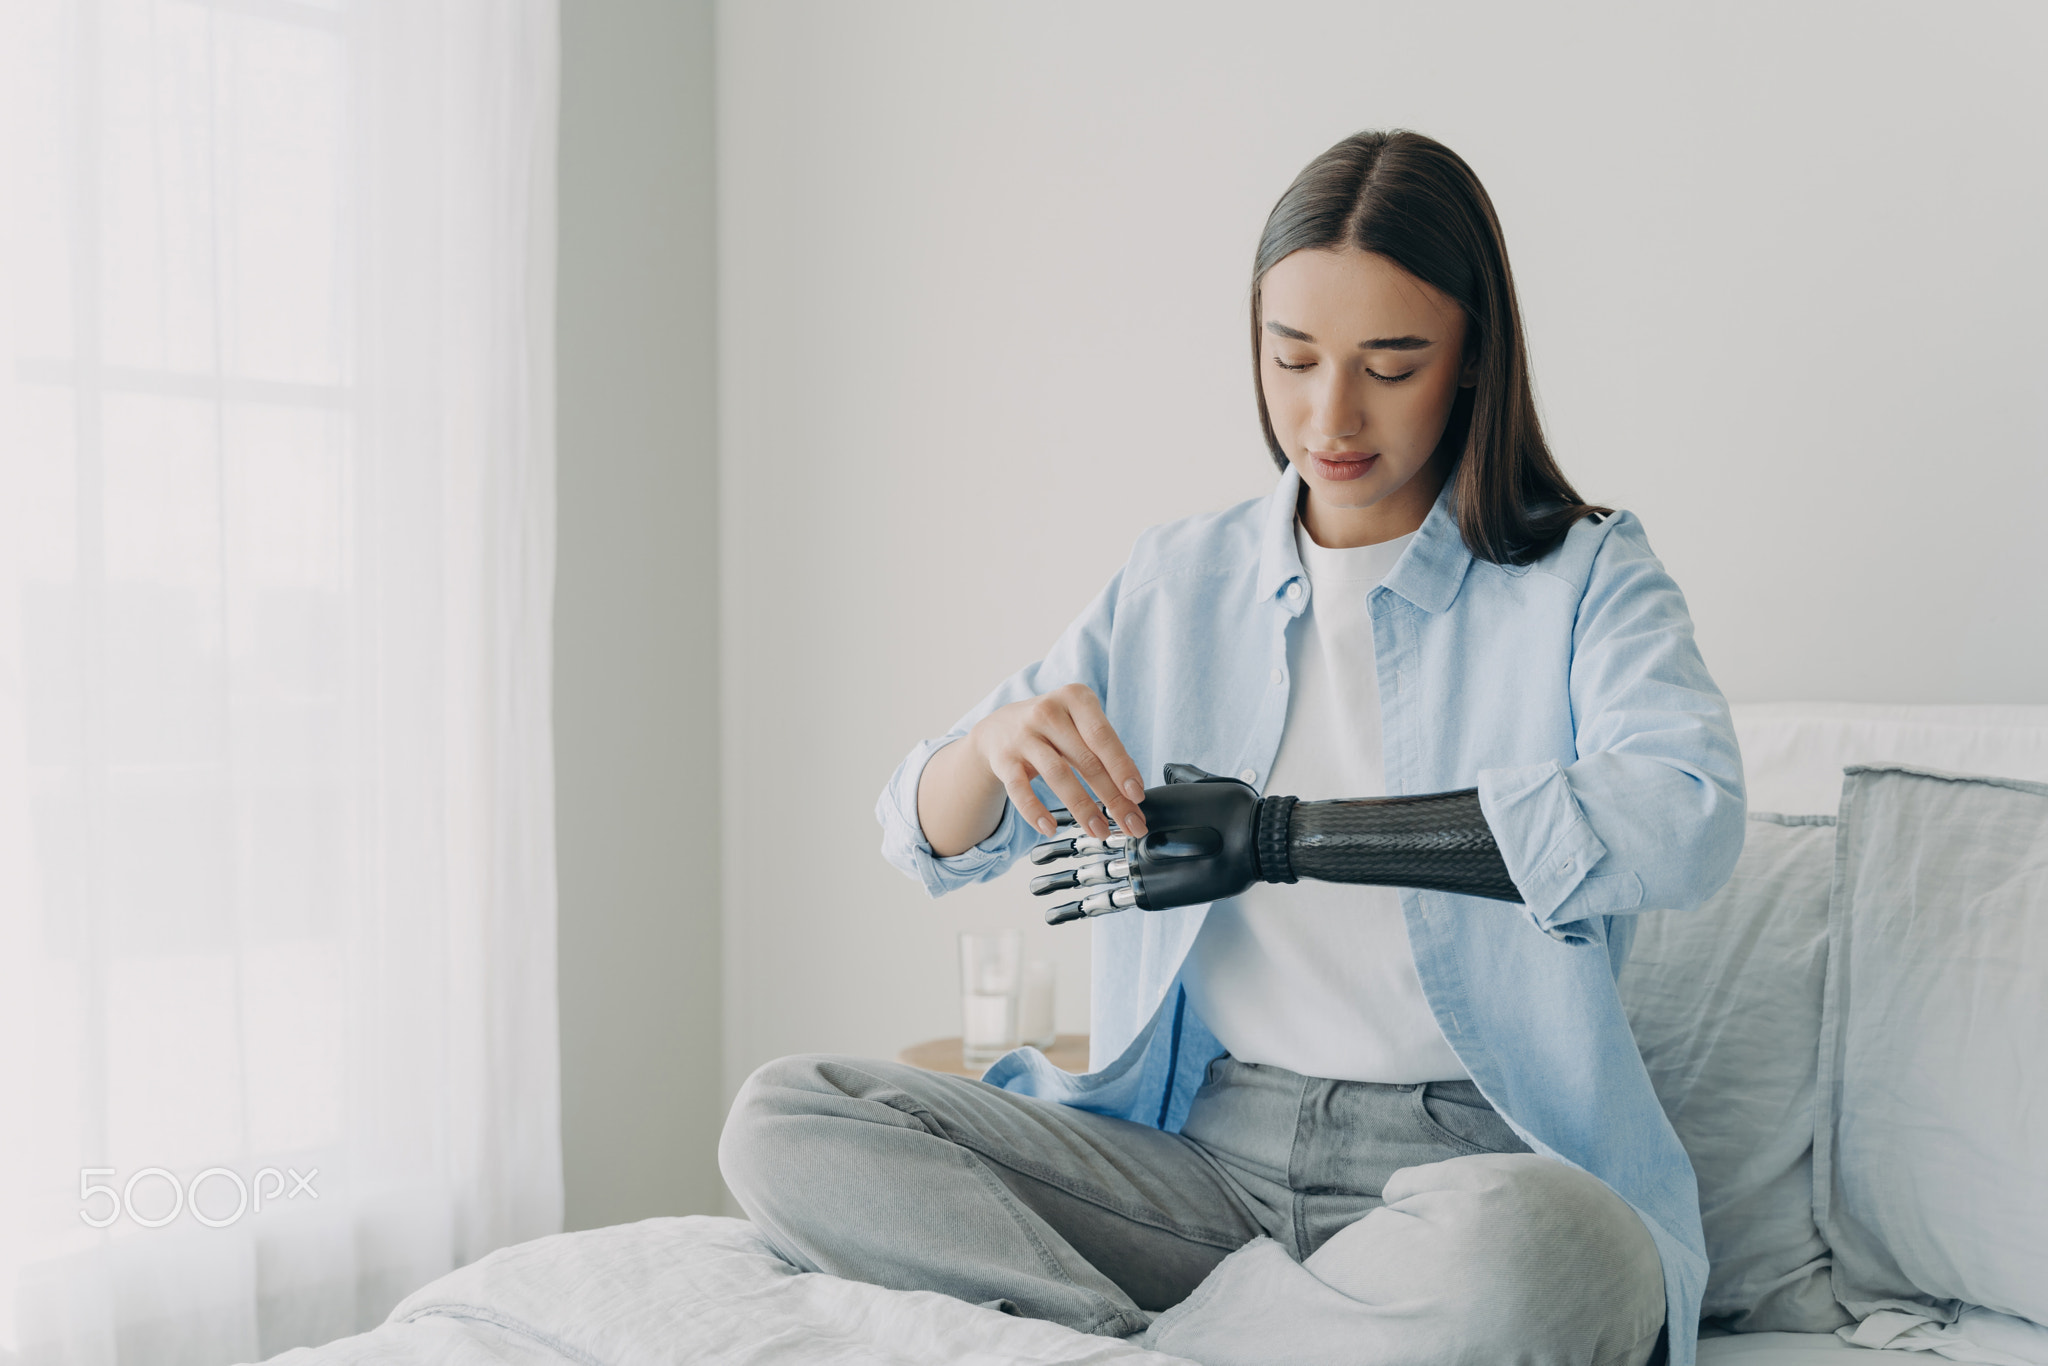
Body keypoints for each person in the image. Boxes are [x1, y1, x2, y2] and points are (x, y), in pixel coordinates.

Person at [719, 129, 1744, 1366]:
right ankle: (1160, 1341)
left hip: (1471, 1172)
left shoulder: (1583, 577)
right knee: (786, 1116)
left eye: (1390, 363)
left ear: (1471, 358)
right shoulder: (1176, 581)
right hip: (1200, 1171)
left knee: (1560, 1249)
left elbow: (1681, 816)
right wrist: (994, 745)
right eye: (1291, 357)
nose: (1329, 415)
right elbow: (918, 835)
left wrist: (1283, 838)